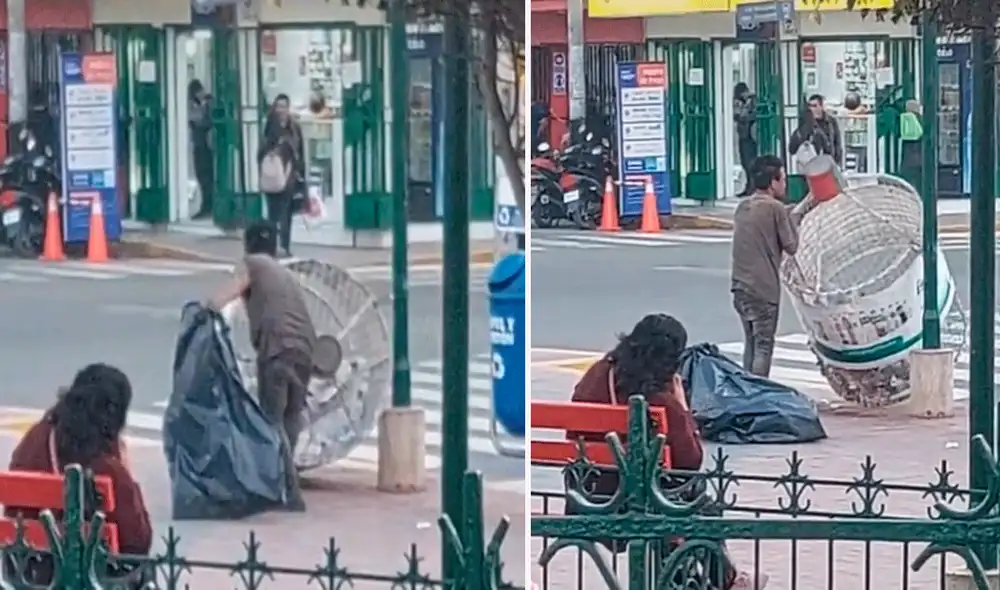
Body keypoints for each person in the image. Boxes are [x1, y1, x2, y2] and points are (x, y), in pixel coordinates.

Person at [568, 314, 767, 590]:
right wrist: (683, 405)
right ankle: (725, 580)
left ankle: (701, 579)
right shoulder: (661, 401)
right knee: (696, 502)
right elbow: (691, 461)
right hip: (635, 505)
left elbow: (573, 434)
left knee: (676, 504)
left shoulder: (599, 374)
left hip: (590, 496)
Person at [6, 364, 152, 584]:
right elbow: (138, 541)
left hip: (33, 572)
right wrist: (126, 471)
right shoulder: (107, 468)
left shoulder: (36, 439)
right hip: (91, 578)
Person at [208, 221, 317, 511]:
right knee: (291, 414)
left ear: (247, 244)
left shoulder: (252, 264)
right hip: (306, 347)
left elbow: (230, 292)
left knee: (272, 418)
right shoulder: (284, 272)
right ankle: (284, 474)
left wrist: (207, 307)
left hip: (277, 348)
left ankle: (287, 488)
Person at [730, 155, 805, 378]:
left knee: (751, 344)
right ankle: (758, 392)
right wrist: (793, 218)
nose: (785, 184)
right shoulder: (776, 209)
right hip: (763, 290)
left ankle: (746, 389)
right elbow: (792, 246)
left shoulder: (743, 207)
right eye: (782, 179)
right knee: (763, 346)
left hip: (740, 286)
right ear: (773, 183)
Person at [258, 94, 305, 258]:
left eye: (284, 106)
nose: (281, 110)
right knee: (273, 213)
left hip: (289, 174)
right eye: (278, 106)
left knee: (286, 212)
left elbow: (301, 151)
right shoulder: (270, 127)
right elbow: (262, 150)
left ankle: (285, 245)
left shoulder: (294, 127)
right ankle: (272, 246)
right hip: (274, 174)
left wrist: (301, 173)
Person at [188, 79, 215, 219]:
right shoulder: (193, 105)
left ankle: (209, 206)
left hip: (208, 146)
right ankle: (206, 205)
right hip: (199, 145)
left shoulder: (209, 104)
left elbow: (204, 122)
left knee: (208, 177)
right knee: (202, 177)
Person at [733, 82, 758, 198]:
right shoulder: (742, 103)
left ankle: (752, 187)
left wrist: (742, 115)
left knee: (750, 162)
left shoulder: (752, 102)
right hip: (743, 135)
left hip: (750, 136)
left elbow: (747, 116)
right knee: (745, 162)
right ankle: (749, 186)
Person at [804, 94, 843, 166]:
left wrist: (838, 163)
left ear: (821, 106)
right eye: (810, 106)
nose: (812, 109)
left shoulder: (831, 121)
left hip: (830, 160)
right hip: (814, 162)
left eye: (814, 106)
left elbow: (837, 142)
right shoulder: (807, 123)